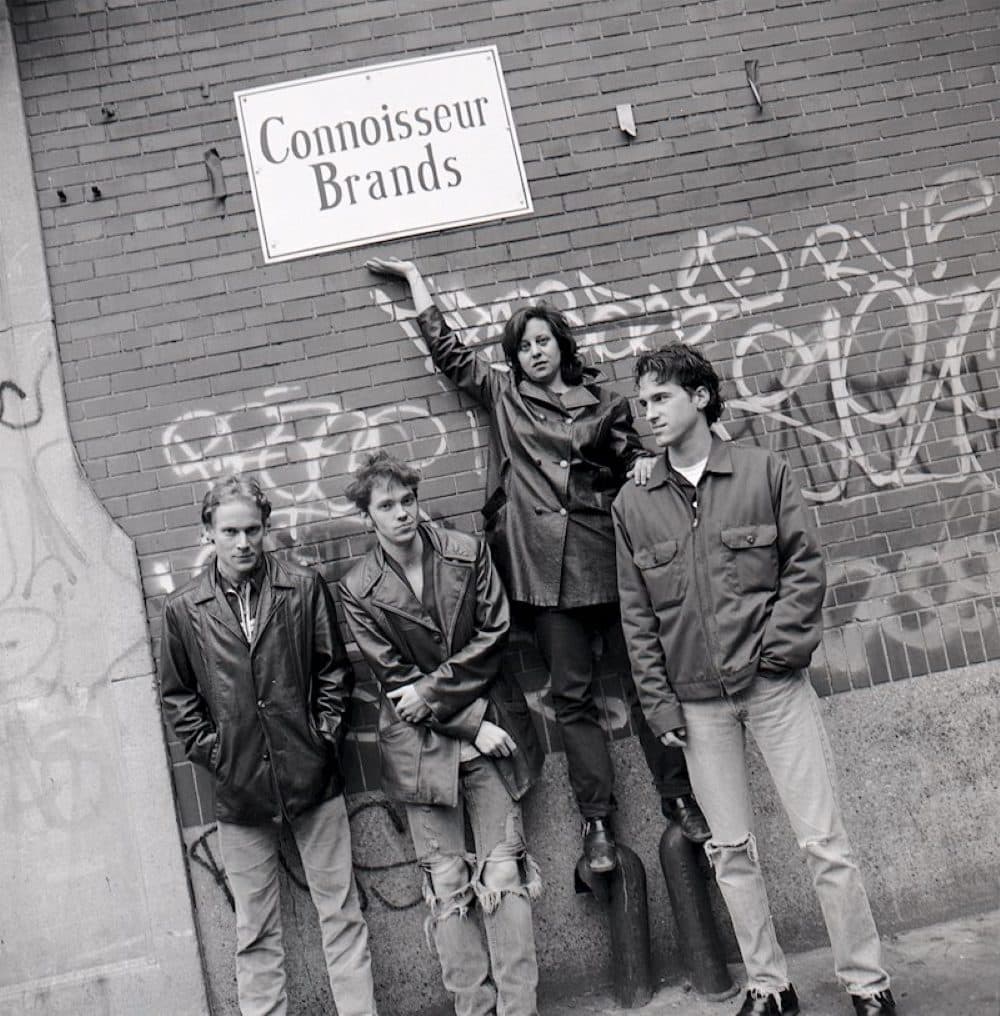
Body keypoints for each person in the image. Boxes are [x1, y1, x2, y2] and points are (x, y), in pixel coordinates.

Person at [366, 256, 709, 874]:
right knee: (573, 699)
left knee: (644, 682)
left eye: (543, 340)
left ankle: (679, 796)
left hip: (609, 556)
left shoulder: (603, 403)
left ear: (561, 343)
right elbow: (447, 351)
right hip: (542, 571)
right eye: (522, 347)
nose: (534, 352)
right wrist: (418, 280)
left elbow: (633, 452)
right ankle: (597, 826)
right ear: (514, 358)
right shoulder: (503, 396)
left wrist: (637, 461)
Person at [612, 343, 896, 1016]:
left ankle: (867, 983)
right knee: (731, 852)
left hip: (774, 690)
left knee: (824, 844)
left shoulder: (763, 472)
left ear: (700, 397)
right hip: (697, 706)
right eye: (643, 401)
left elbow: (804, 567)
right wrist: (659, 704)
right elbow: (637, 616)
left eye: (660, 398)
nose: (648, 412)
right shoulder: (634, 504)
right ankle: (770, 989)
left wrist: (777, 656)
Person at [158, 474, 378, 1016]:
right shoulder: (184, 609)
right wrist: (220, 757)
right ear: (208, 531)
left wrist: (321, 740)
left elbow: (334, 674)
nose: (242, 543)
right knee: (254, 932)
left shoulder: (302, 587)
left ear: (267, 527)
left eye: (252, 529)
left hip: (312, 778)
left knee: (342, 917)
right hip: (240, 793)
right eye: (229, 530)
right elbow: (178, 698)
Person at [338, 451, 544, 1016]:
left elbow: (494, 634)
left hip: (489, 731)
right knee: (449, 887)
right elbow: (394, 680)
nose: (403, 512)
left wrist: (444, 702)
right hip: (425, 752)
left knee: (504, 875)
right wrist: (471, 725)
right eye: (387, 505)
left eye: (408, 499)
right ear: (368, 517)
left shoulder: (465, 551)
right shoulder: (357, 588)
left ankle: (519, 1010)